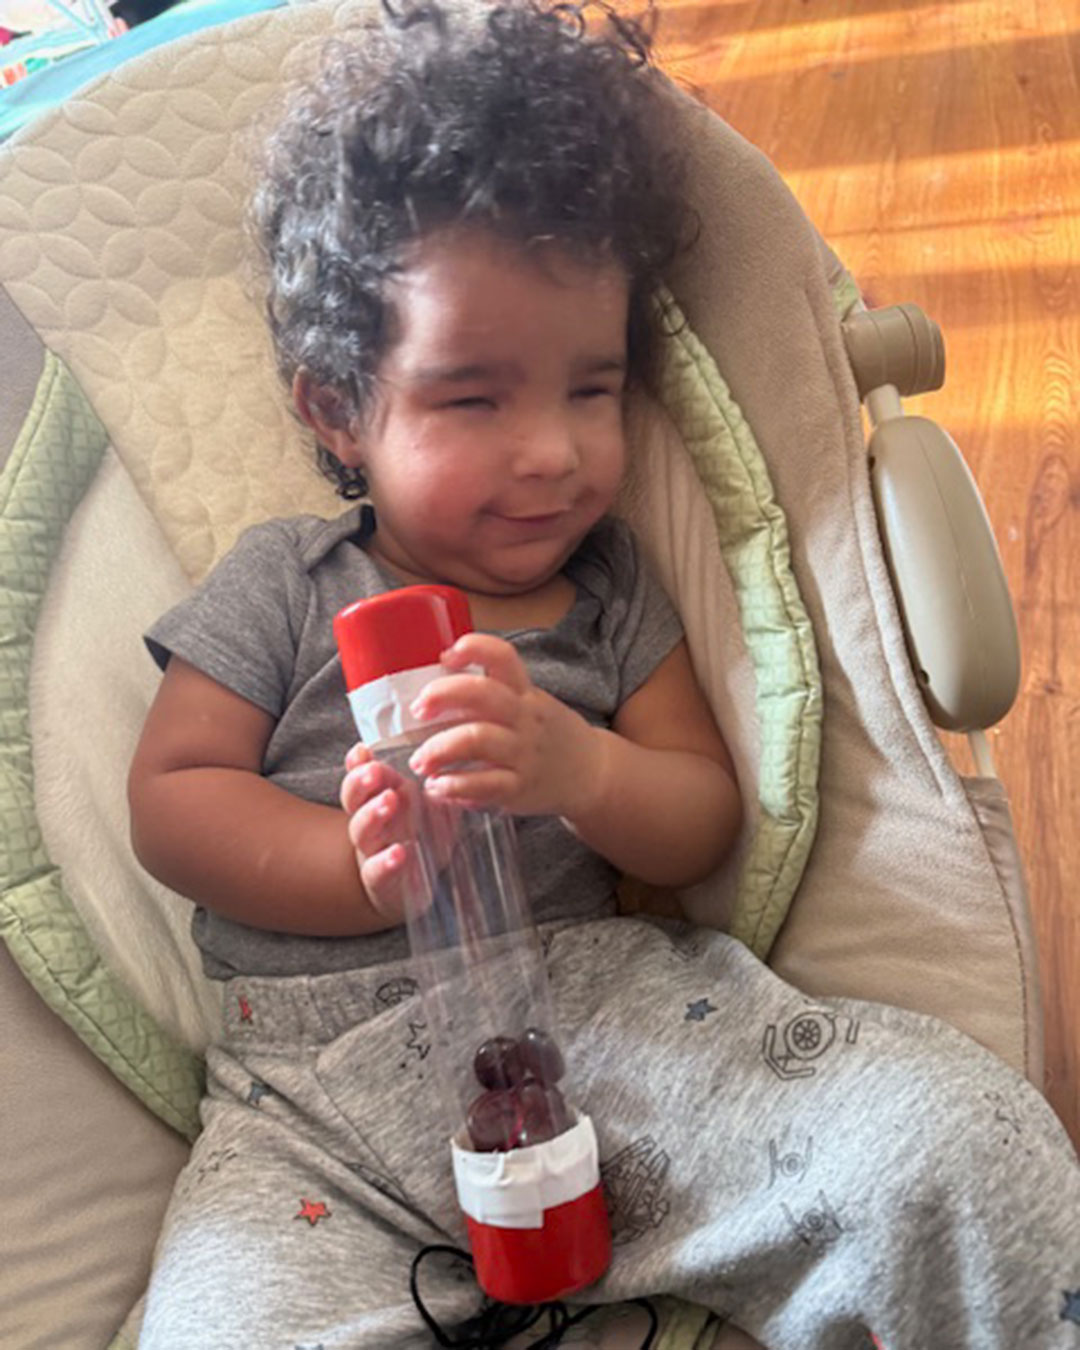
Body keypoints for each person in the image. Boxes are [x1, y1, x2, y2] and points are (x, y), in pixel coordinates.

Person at [128, 2, 1080, 1346]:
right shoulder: (289, 577)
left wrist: (578, 767)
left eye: (592, 387)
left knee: (947, 1132)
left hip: (605, 1029)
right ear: (337, 410)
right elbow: (172, 797)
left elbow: (700, 819)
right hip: (310, 1102)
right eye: (474, 397)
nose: (554, 452)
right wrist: (355, 870)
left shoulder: (611, 589)